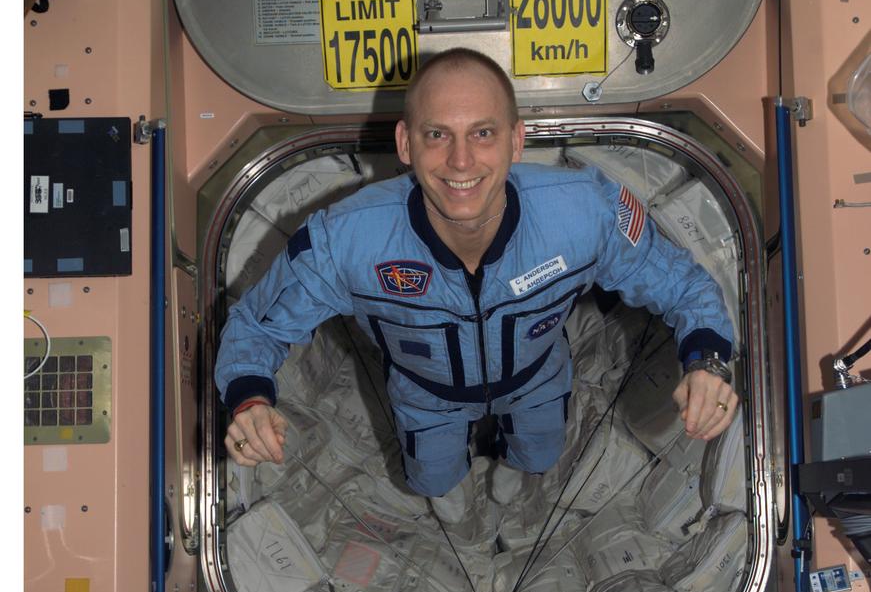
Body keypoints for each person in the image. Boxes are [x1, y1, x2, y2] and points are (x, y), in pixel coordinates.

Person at [216, 48, 738, 503]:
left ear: (516, 141)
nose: (460, 161)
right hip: (425, 394)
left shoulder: (585, 214)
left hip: (537, 378)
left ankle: (514, 474)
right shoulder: (346, 239)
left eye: (482, 133)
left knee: (538, 458)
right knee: (431, 482)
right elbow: (257, 326)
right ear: (405, 144)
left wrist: (708, 363)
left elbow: (685, 286)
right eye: (437, 134)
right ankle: (454, 494)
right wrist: (250, 400)